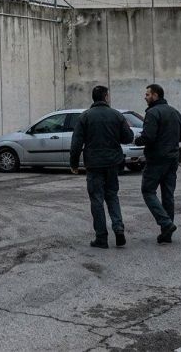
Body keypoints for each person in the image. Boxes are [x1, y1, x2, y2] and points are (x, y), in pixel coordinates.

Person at [70, 85, 135, 248]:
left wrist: (74, 163)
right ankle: (118, 228)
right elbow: (128, 138)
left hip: (94, 164)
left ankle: (101, 237)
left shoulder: (85, 117)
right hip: (113, 163)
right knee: (112, 196)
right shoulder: (116, 115)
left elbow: (76, 143)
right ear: (106, 97)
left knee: (96, 199)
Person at [134, 83, 181, 243]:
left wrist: (137, 140)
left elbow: (148, 136)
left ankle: (166, 223)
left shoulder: (152, 113)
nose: (145, 97)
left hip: (156, 159)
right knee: (168, 195)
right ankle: (167, 233)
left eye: (147, 94)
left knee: (148, 191)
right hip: (172, 158)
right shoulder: (174, 111)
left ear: (155, 95)